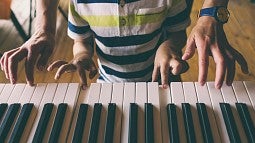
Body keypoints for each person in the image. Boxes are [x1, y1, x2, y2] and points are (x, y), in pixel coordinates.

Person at [0, 0, 248, 89]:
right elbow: (81, 43)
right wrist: (82, 57)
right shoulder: (82, 3)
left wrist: (167, 49)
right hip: (109, 85)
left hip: (161, 82)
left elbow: (177, 35)